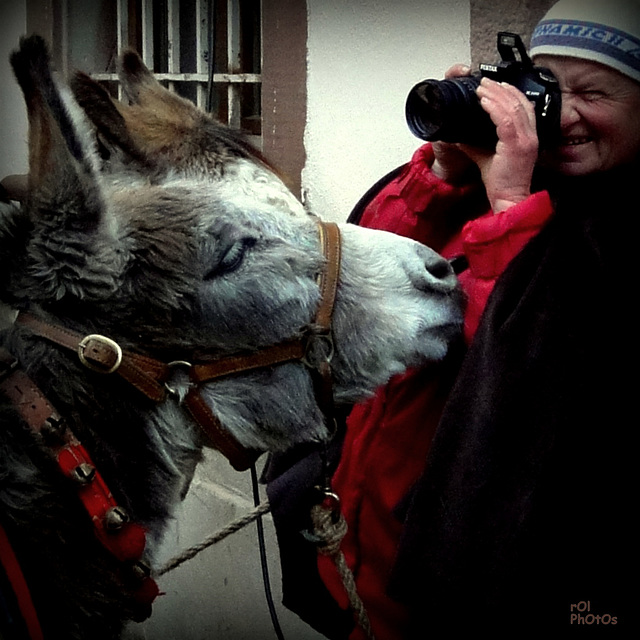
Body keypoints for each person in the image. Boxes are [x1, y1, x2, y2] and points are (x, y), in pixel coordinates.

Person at [266, 0, 640, 637]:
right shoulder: (492, 185)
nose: (562, 113)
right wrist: (441, 172)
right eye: (548, 87)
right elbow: (360, 287)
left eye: (592, 92)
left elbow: (528, 382)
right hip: (363, 562)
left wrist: (511, 206)